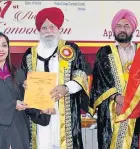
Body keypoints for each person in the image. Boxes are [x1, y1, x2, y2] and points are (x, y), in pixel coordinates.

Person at [21, 7, 91, 149]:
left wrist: (66, 88)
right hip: (39, 114)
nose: (48, 31)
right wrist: (24, 84)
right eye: (44, 27)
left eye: (52, 27)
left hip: (65, 112)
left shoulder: (71, 49)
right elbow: (21, 80)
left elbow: (82, 74)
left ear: (59, 28)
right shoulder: (30, 54)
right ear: (39, 31)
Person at [0, 32, 51, 149]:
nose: (1, 49)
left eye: (4, 45)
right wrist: (13, 105)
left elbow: (27, 104)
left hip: (17, 132)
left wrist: (42, 110)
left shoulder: (18, 74)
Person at [89, 9, 140, 149]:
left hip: (137, 110)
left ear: (133, 28)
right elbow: (99, 81)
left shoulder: (139, 51)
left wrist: (129, 102)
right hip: (111, 110)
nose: (122, 29)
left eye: (126, 26)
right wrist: (118, 98)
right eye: (119, 26)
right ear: (113, 29)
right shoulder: (105, 52)